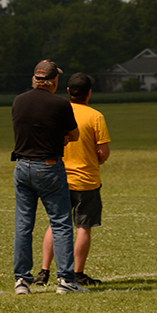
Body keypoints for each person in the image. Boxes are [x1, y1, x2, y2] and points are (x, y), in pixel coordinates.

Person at [11, 59, 89, 294]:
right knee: (61, 224)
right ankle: (66, 281)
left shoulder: (18, 101)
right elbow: (74, 135)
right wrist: (59, 137)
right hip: (49, 167)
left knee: (24, 225)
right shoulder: (60, 105)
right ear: (54, 81)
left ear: (35, 79)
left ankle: (21, 281)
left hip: (22, 166)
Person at [33, 72, 111, 287]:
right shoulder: (95, 116)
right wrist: (96, 160)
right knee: (83, 227)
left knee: (55, 224)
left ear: (68, 91)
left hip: (58, 176)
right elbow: (103, 152)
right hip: (86, 180)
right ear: (89, 93)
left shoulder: (58, 111)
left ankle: (44, 270)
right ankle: (77, 273)